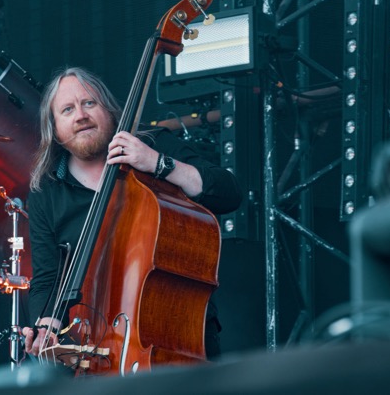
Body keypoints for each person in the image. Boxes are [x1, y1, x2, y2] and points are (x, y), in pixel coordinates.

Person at [21, 67, 242, 361]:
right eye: (67, 110)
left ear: (110, 111)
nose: (81, 115)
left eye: (89, 103)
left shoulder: (151, 145)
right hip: (99, 343)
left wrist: (157, 163)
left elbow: (228, 193)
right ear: (55, 130)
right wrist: (46, 326)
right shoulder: (46, 191)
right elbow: (47, 277)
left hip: (178, 327)